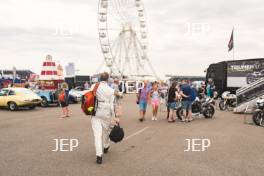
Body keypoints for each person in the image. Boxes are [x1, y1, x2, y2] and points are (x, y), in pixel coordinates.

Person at [90, 72, 120, 164]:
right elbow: (112, 104)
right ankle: (106, 146)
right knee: (106, 131)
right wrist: (114, 117)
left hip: (95, 111)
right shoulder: (110, 89)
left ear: (100, 78)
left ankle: (99, 155)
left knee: (97, 135)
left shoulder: (94, 86)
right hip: (106, 112)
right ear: (108, 79)